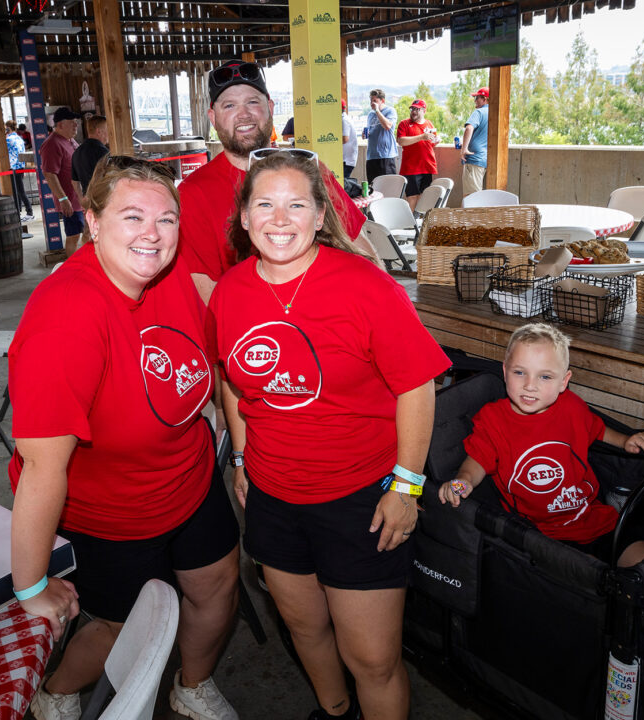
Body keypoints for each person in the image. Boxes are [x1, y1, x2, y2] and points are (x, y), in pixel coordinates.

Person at [209, 150, 451, 719]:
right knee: (305, 627)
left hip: (361, 500)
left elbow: (417, 386)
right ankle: (335, 711)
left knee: (372, 658)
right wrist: (241, 462)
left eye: (297, 204)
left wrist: (407, 487)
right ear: (243, 216)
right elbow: (235, 385)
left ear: (320, 215)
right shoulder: (229, 293)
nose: (279, 218)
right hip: (272, 497)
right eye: (264, 204)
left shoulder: (365, 285)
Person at [9, 156, 240, 720]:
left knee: (218, 586)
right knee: (120, 629)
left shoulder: (177, 267)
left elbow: (226, 354)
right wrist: (30, 586)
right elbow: (43, 470)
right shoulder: (67, 315)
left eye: (167, 219)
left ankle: (192, 684)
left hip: (188, 477)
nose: (152, 235)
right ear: (92, 221)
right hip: (109, 511)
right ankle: (57, 693)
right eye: (132, 216)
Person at [438, 323, 644, 567]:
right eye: (519, 372)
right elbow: (477, 461)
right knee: (596, 582)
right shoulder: (494, 419)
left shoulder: (571, 407)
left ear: (564, 381)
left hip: (595, 519)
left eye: (545, 376)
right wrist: (462, 481)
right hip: (545, 537)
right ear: (505, 370)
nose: (530, 385)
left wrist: (626, 440)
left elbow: (597, 428)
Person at [177, 59, 376, 304]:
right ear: (213, 117)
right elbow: (206, 290)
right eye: (229, 105)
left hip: (328, 317)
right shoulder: (195, 191)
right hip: (253, 333)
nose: (244, 114)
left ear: (270, 107)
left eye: (253, 102)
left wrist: (387, 307)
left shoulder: (310, 171)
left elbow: (357, 246)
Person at [40, 106, 83, 257]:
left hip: (80, 197)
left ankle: (83, 265)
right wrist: (63, 199)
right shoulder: (52, 144)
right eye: (72, 122)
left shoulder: (70, 140)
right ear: (60, 125)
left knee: (85, 233)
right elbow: (49, 174)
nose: (76, 125)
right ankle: (72, 270)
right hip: (70, 198)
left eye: (76, 122)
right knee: (74, 235)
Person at [396, 99, 439, 212]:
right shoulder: (404, 124)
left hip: (427, 166)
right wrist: (421, 137)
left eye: (417, 109)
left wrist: (436, 140)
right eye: (412, 109)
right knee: (412, 196)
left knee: (425, 197)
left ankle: (420, 223)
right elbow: (401, 141)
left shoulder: (429, 123)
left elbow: (431, 142)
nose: (413, 111)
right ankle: (411, 225)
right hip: (411, 167)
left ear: (424, 111)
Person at [71, 114, 109, 202]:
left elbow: (74, 182)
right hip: (104, 200)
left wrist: (81, 199)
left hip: (88, 201)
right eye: (108, 130)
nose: (110, 133)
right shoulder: (103, 152)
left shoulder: (77, 152)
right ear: (99, 131)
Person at [461, 87, 489, 197]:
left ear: (485, 99)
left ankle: (468, 215)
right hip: (485, 159)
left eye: (477, 98)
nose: (475, 100)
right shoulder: (494, 114)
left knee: (471, 197)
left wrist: (464, 149)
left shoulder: (479, 112)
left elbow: (469, 128)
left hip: (474, 159)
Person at [365, 89, 398, 184]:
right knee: (373, 187)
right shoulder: (370, 114)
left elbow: (387, 126)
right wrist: (366, 134)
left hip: (385, 156)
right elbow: (371, 130)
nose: (372, 103)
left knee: (388, 187)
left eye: (375, 101)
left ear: (382, 101)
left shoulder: (390, 111)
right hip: (371, 156)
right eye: (371, 100)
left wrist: (377, 111)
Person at [5, 120, 34, 221]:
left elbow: (1, 150)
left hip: (13, 167)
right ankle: (24, 211)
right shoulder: (19, 138)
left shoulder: (8, 139)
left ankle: (26, 212)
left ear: (8, 128)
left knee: (18, 191)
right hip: (20, 166)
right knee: (19, 190)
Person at [341, 100, 357, 179]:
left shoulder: (344, 120)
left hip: (346, 160)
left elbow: (345, 139)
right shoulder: (345, 118)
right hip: (346, 159)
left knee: (343, 184)